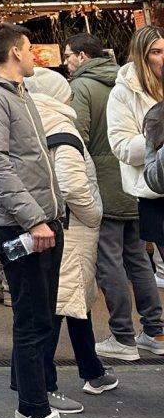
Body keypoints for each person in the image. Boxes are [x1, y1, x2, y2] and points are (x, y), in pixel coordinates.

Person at [0, 23, 85, 418]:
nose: (36, 56)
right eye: (31, 49)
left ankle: (31, 410)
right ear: (15, 52)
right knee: (32, 323)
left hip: (41, 221)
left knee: (39, 320)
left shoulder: (16, 93)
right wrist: (34, 219)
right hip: (22, 225)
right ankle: (36, 415)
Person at [65, 30, 164, 365]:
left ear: (81, 57)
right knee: (137, 259)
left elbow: (76, 138)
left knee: (111, 261)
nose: (66, 63)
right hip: (141, 185)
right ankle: (154, 329)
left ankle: (124, 335)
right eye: (156, 52)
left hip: (107, 185)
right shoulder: (131, 86)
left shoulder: (81, 88)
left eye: (68, 56)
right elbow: (126, 142)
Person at [24, 70, 113, 403]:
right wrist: (94, 214)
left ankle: (92, 370)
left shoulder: (35, 124)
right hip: (73, 229)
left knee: (74, 302)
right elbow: (73, 185)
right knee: (58, 307)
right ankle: (45, 388)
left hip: (54, 227)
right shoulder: (63, 130)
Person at [104, 25, 164, 359]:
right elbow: (122, 147)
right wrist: (157, 140)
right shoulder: (124, 92)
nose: (162, 59)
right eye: (156, 52)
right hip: (156, 192)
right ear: (142, 56)